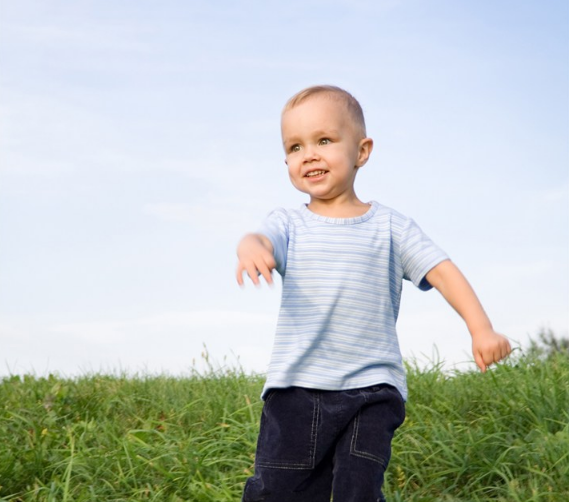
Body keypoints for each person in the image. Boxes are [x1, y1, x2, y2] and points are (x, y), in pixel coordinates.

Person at [235, 85, 512, 502]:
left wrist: (481, 328)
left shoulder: (391, 227)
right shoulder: (289, 224)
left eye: (324, 140)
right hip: (295, 389)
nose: (308, 154)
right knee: (279, 490)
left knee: (358, 489)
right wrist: (252, 247)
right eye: (294, 146)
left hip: (372, 389)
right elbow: (261, 237)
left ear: (362, 151)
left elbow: (442, 271)